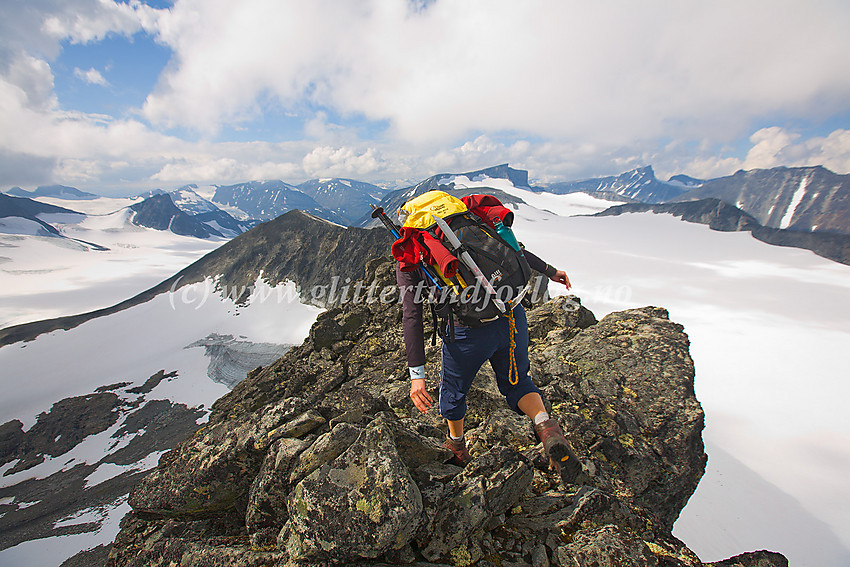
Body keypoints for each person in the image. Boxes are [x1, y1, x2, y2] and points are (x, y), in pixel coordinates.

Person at [396, 226, 583, 484]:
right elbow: (515, 250)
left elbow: (412, 313)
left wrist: (417, 375)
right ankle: (548, 429)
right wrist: (551, 271)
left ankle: (458, 447)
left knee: (453, 392)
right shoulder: (468, 225)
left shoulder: (412, 248)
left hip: (467, 332)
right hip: (510, 317)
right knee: (519, 383)